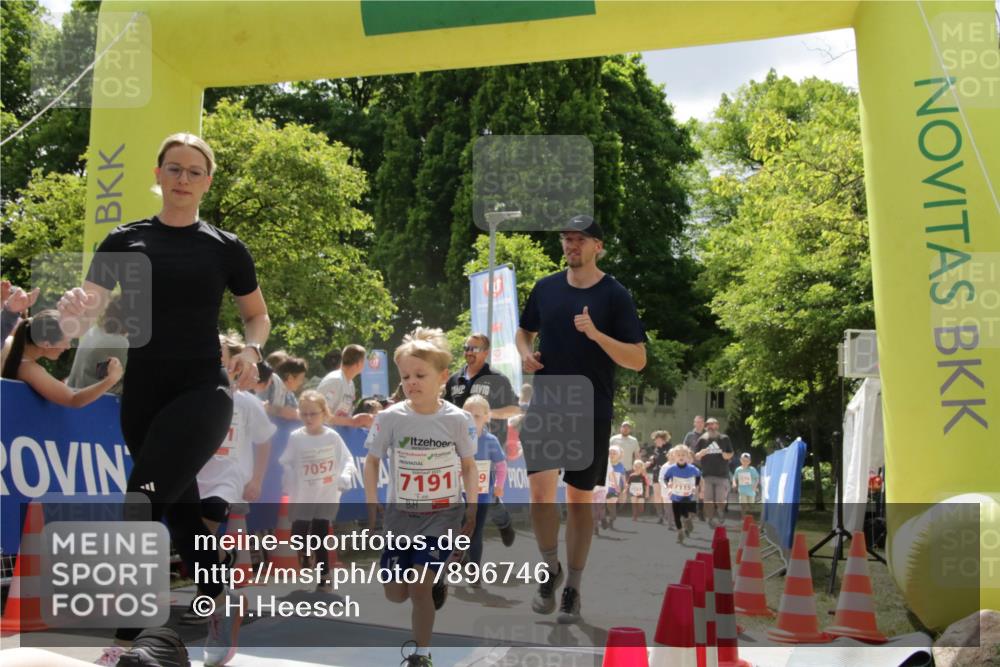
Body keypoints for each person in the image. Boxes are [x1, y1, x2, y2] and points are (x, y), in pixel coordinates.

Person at [57, 132, 269, 667]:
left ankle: (127, 644)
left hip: (203, 389)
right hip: (143, 391)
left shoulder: (225, 247)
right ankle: (220, 593)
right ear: (158, 174)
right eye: (173, 168)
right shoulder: (123, 240)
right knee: (176, 511)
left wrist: (252, 348)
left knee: (141, 501)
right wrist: (73, 309)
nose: (182, 179)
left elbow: (256, 314)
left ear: (207, 182)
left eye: (194, 171)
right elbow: (88, 313)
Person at [516, 214, 646, 624]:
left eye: (580, 239)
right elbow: (524, 331)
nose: (571, 245)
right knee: (539, 493)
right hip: (548, 400)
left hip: (589, 405)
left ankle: (572, 586)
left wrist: (596, 335)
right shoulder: (546, 288)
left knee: (578, 499)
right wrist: (524, 353)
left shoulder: (614, 295)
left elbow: (638, 360)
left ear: (598, 247)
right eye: (566, 239)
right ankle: (550, 567)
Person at [363, 328, 478, 667]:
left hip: (441, 515)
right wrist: (372, 504)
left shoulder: (458, 420)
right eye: (405, 376)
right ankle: (435, 577)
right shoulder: (390, 418)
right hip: (401, 516)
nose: (411, 382)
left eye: (420, 375)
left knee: (418, 589)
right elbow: (371, 462)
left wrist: (471, 509)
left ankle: (421, 655)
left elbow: (468, 467)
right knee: (396, 594)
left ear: (443, 377)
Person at [182, 333, 276, 625]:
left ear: (234, 362)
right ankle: (221, 560)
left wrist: (257, 479)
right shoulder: (194, 396)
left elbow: (264, 442)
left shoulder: (247, 403)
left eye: (218, 352)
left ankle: (205, 597)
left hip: (229, 477)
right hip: (195, 476)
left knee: (204, 531)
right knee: (195, 538)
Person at [280, 390, 356, 593]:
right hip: (303, 493)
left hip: (326, 491)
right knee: (298, 535)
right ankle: (305, 551)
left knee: (320, 533)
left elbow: (347, 460)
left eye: (313, 413)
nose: (308, 418)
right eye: (304, 414)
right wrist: (287, 474)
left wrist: (345, 476)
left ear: (324, 413)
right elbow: (286, 460)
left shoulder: (332, 437)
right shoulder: (296, 438)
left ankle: (324, 576)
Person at [1, 309, 123, 407]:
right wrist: (111, 379)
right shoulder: (29, 369)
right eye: (67, 341)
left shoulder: (13, 351)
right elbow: (73, 400)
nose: (68, 347)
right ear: (46, 344)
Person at [461, 395, 514, 586]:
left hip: (482, 497)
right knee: (456, 532)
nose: (471, 419)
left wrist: (499, 485)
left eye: (476, 416)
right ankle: (459, 561)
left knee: (475, 533)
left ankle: (474, 572)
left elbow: (501, 465)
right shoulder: (455, 438)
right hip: (458, 496)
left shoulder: (491, 441)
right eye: (467, 415)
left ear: (486, 418)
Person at [443, 333, 521, 447]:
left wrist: (487, 414)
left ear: (486, 353)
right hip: (458, 445)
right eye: (466, 348)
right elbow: (446, 409)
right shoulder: (454, 379)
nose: (469, 352)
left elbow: (515, 409)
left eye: (474, 349)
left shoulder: (498, 378)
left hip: (489, 448)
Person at [66, 293, 129, 395]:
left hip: (76, 392)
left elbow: (98, 372)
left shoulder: (95, 331)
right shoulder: (118, 343)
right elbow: (111, 379)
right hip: (94, 401)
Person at [316, 343, 373, 429]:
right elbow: (319, 415)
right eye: (364, 361)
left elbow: (344, 415)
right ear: (358, 363)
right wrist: (352, 421)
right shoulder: (334, 381)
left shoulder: (350, 384)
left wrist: (360, 420)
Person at [693, 417, 735, 527]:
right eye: (709, 425)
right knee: (708, 500)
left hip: (722, 474)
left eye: (713, 424)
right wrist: (701, 453)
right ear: (706, 427)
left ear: (717, 426)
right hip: (707, 474)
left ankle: (721, 512)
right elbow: (695, 456)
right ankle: (710, 519)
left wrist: (724, 455)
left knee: (720, 499)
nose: (711, 427)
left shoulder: (724, 438)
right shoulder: (702, 439)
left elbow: (730, 454)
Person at [662, 444, 701, 544]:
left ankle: (687, 520)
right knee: (676, 515)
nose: (681, 457)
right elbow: (666, 478)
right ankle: (680, 533)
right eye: (678, 455)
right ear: (674, 457)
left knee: (684, 511)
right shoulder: (672, 469)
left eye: (683, 455)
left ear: (687, 456)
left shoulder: (692, 468)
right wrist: (668, 484)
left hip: (687, 494)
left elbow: (698, 476)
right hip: (675, 494)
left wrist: (695, 486)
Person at [643, 430, 671, 524]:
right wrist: (649, 463)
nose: (655, 441)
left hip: (667, 475)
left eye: (657, 439)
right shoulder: (655, 449)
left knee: (666, 496)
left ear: (663, 439)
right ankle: (660, 516)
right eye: (655, 439)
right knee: (657, 496)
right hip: (656, 474)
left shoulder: (670, 449)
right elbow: (654, 462)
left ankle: (668, 515)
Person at [684, 415, 708, 520]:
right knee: (694, 488)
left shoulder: (707, 435)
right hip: (692, 465)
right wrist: (691, 456)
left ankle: (701, 511)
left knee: (703, 489)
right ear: (694, 423)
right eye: (697, 422)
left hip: (705, 465)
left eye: (701, 422)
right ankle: (691, 510)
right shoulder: (689, 435)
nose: (699, 424)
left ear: (704, 424)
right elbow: (684, 448)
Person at [732, 452, 760, 518]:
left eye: (747, 461)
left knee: (751, 506)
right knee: (743, 506)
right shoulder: (738, 469)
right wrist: (734, 483)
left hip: (751, 491)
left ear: (749, 461)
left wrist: (755, 486)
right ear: (740, 460)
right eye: (743, 460)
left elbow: (757, 478)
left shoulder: (752, 469)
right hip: (742, 491)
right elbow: (734, 477)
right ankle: (743, 519)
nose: (745, 462)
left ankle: (750, 519)